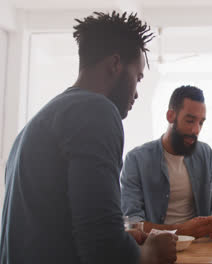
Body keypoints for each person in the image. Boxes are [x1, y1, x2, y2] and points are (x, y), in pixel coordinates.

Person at [0, 11, 178, 264]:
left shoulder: (42, 120)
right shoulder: (96, 110)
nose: (137, 94)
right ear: (115, 64)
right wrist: (150, 252)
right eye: (137, 78)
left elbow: (60, 227)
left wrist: (123, 238)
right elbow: (103, 248)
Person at [121, 85, 212, 241]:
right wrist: (181, 231)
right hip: (157, 249)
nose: (196, 130)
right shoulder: (136, 159)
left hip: (201, 247)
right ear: (170, 116)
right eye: (190, 120)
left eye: (201, 123)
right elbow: (132, 221)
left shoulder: (206, 154)